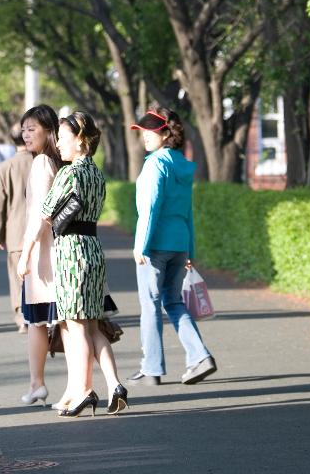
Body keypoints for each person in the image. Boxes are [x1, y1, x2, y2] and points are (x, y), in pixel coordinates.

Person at [41, 111, 128, 417]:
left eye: (63, 138)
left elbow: (47, 209)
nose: (58, 144)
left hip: (70, 252)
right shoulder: (97, 174)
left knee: (75, 326)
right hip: (93, 249)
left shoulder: (69, 173)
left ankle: (84, 392)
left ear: (80, 140)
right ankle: (115, 384)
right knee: (92, 325)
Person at [128, 108, 217, 387]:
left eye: (151, 131)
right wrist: (190, 250)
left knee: (150, 305)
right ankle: (200, 357)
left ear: (167, 133)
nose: (145, 136)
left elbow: (150, 208)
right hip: (179, 243)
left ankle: (151, 368)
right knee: (173, 302)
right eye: (142, 131)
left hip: (155, 244)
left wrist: (141, 244)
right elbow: (187, 211)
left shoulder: (156, 164)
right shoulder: (181, 164)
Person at [15, 105, 63, 404]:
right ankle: (38, 383)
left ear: (49, 131)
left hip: (44, 255)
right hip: (50, 252)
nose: (26, 134)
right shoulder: (55, 162)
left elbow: (40, 214)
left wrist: (26, 252)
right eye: (24, 129)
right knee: (61, 322)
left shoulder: (43, 163)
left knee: (40, 321)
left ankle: (38, 383)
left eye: (32, 129)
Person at [0, 129, 32, 332]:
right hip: (42, 231)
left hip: (16, 232)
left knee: (18, 277)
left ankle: (21, 317)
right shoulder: (42, 162)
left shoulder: (4, 168)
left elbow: (1, 204)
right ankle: (43, 315)